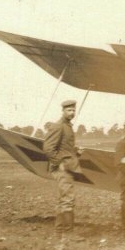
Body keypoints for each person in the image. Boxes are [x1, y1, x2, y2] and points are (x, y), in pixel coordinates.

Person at [43, 99, 80, 232]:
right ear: (63, 111)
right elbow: (48, 148)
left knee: (63, 198)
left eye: (74, 110)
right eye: (69, 110)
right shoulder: (58, 126)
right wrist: (59, 163)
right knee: (68, 199)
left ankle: (60, 230)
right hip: (63, 168)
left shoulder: (68, 126)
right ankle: (68, 233)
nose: (72, 113)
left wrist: (76, 152)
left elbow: (64, 148)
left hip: (67, 166)